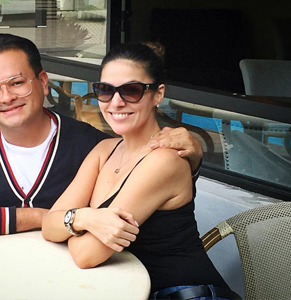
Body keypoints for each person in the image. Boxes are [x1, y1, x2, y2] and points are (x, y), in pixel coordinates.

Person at [0, 34, 203, 240]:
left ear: (42, 81)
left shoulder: (89, 144)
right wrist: (42, 217)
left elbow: (151, 181)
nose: (6, 98)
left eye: (17, 83)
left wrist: (193, 158)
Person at [42, 42, 240, 300]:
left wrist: (70, 223)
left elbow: (86, 254)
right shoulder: (105, 150)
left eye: (131, 90)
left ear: (158, 95)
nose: (115, 102)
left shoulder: (165, 160)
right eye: (105, 90)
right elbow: (48, 225)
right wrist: (85, 219)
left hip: (187, 294)